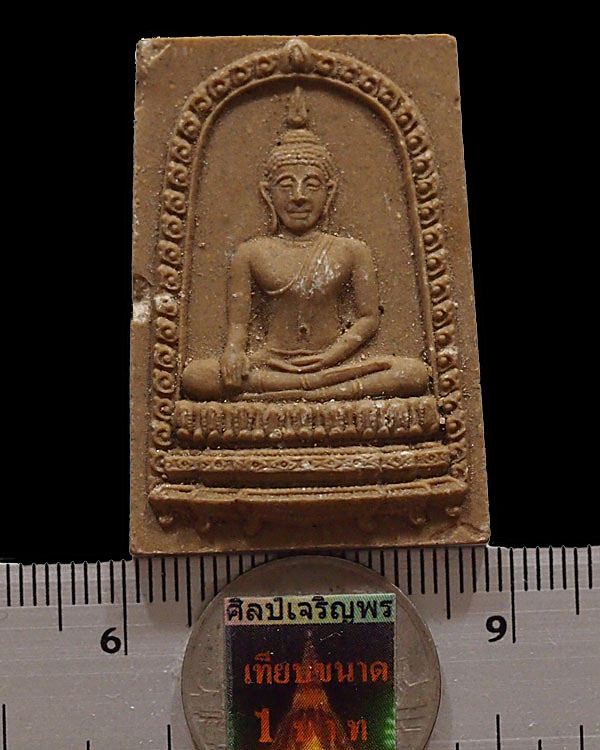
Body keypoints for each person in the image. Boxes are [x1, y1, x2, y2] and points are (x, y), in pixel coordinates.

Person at [182, 87, 428, 402]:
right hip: (272, 362)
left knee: (412, 373)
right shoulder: (251, 253)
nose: (298, 196)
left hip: (334, 363)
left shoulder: (351, 250)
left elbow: (369, 317)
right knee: (196, 377)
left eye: (311, 185)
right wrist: (234, 355)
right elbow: (238, 327)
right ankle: (318, 392)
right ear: (267, 193)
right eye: (286, 185)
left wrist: (329, 357)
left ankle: (302, 391)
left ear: (329, 192)